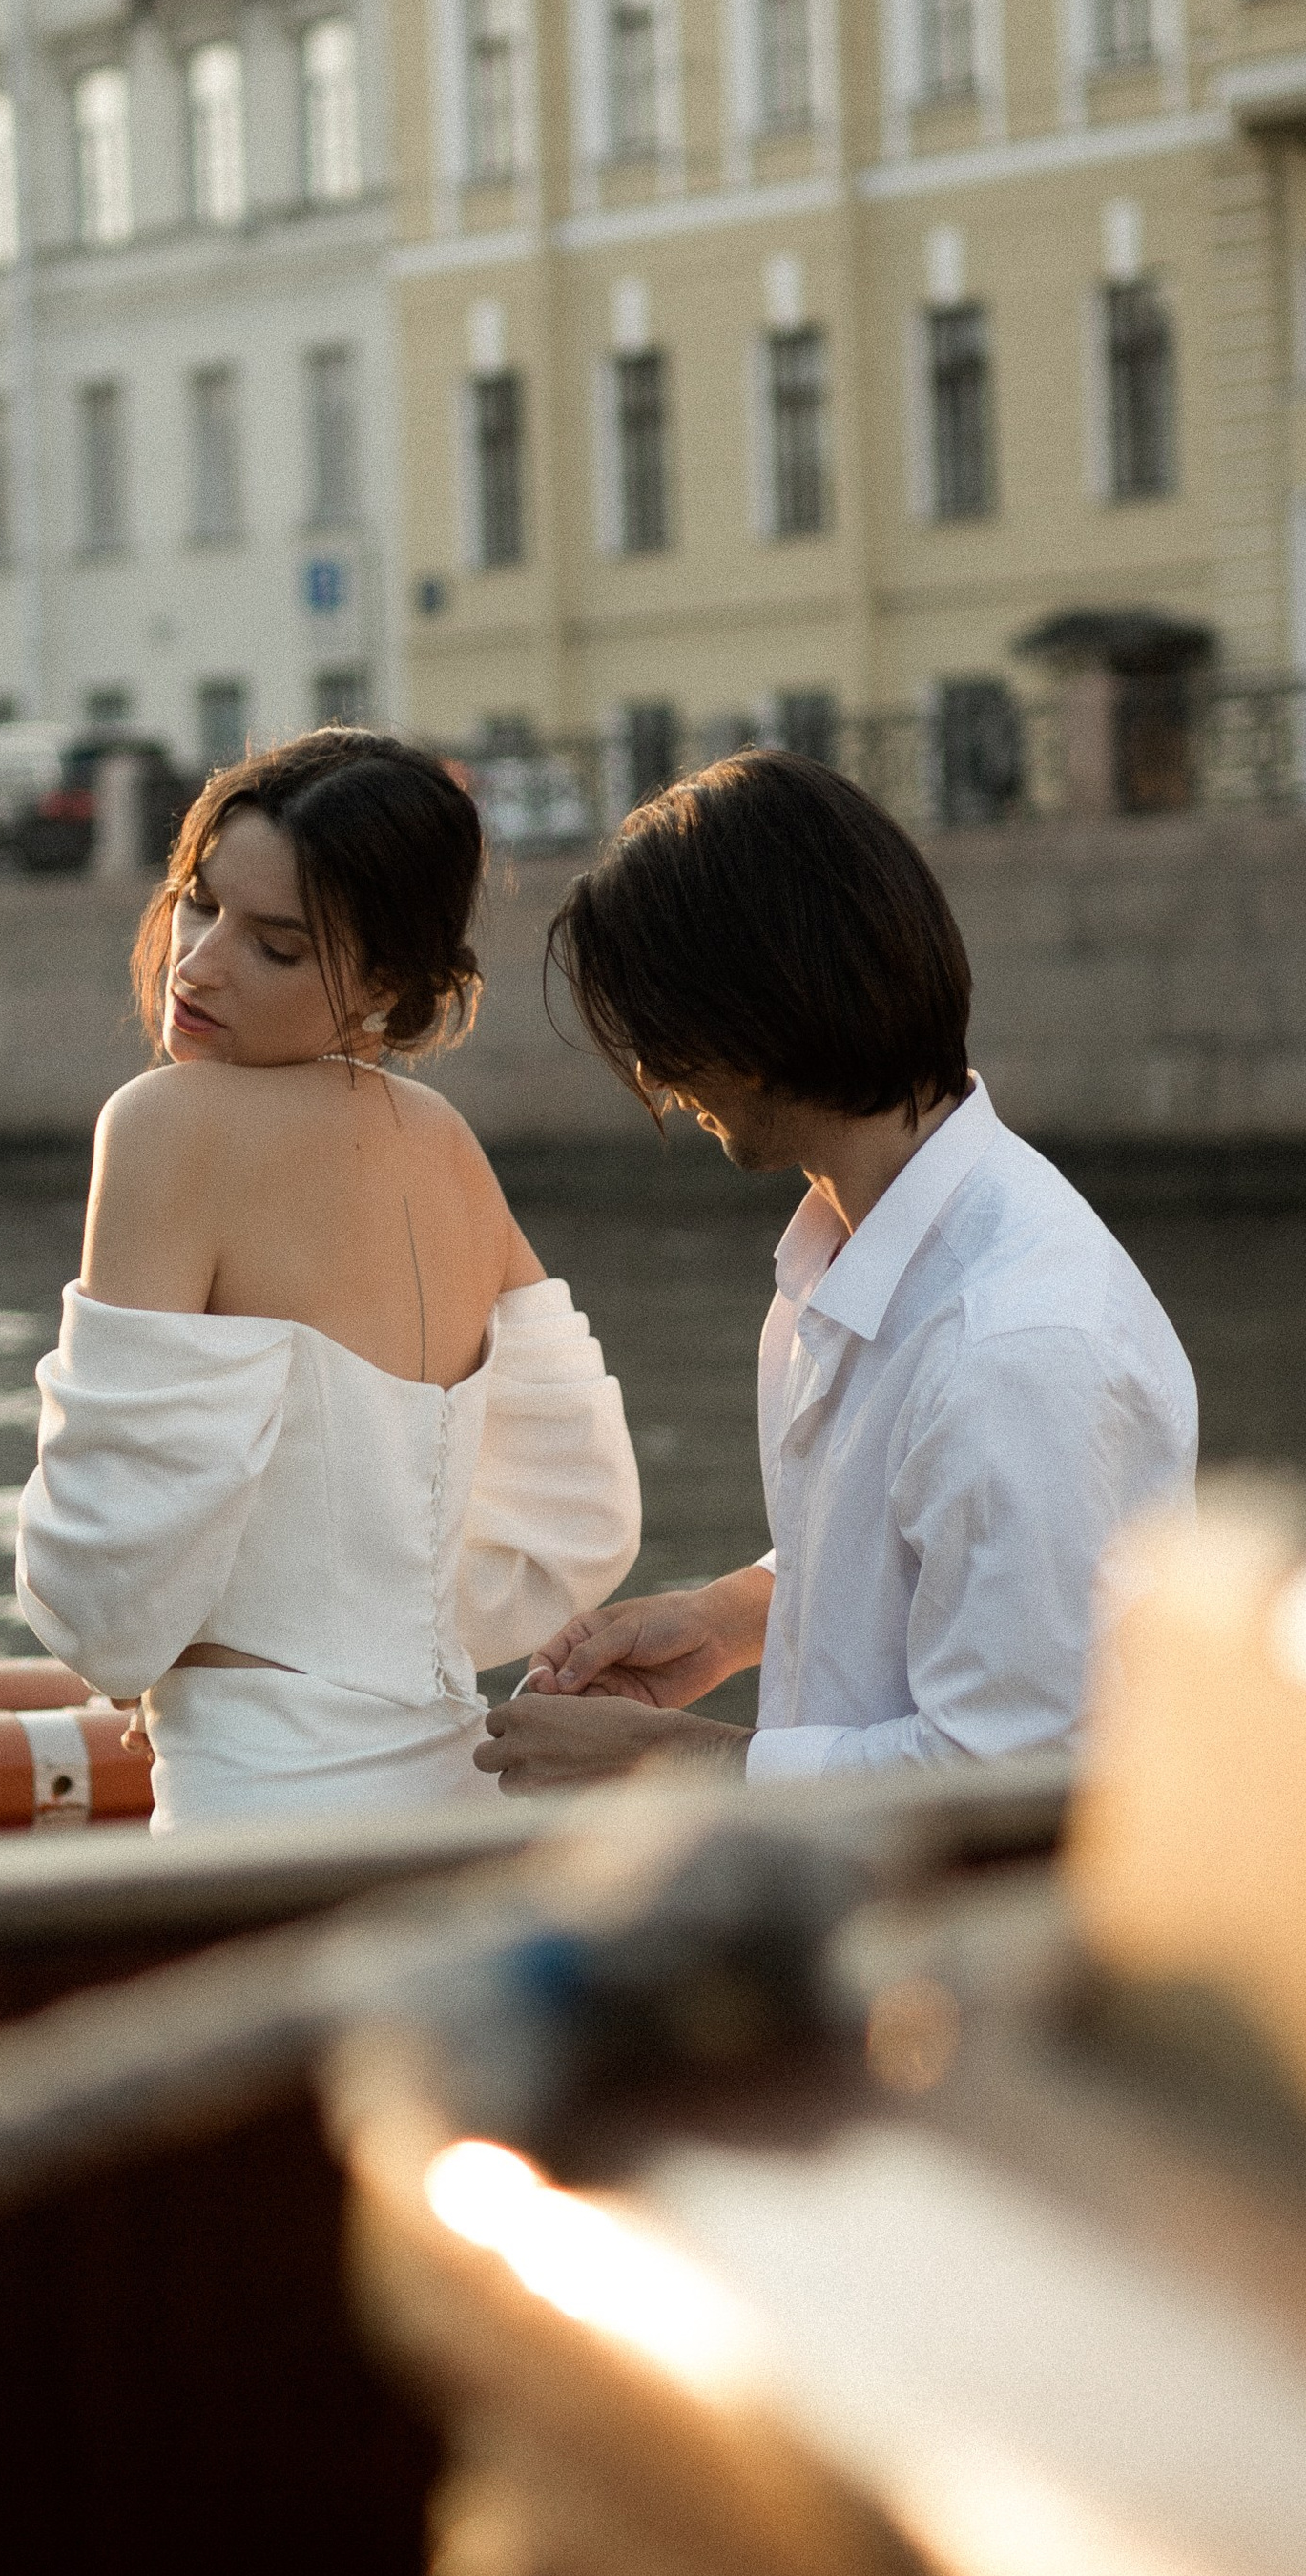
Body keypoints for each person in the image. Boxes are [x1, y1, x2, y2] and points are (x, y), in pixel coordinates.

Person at [479, 753, 1196, 1795]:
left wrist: (670, 1762)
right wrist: (730, 1617)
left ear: (757, 1010)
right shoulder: (858, 1250)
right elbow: (948, 1573)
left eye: (661, 1027)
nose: (654, 1078)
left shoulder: (1015, 1346)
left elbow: (1018, 1773)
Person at [15, 728, 640, 1828]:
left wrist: (205, 1659)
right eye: (200, 903)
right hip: (454, 1787)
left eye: (278, 947)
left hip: (258, 1813)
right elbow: (579, 1521)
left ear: (389, 986)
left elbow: (102, 1600)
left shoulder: (166, 1124)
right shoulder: (445, 1145)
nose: (200, 962)